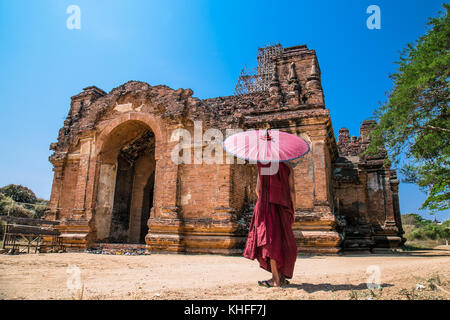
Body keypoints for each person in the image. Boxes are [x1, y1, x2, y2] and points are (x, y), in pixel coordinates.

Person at [243, 160, 298, 287]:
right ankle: (280, 277)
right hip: (283, 208)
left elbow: (258, 190)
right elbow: (292, 192)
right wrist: (292, 210)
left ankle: (275, 279)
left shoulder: (263, 165)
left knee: (269, 240)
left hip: (265, 206)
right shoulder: (288, 167)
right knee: (282, 240)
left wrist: (266, 200)